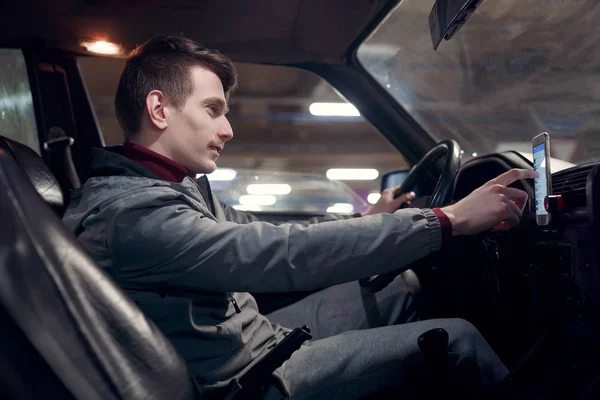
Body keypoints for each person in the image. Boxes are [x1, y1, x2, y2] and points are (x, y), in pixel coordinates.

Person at [62, 34, 537, 399]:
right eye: (213, 110)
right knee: (459, 339)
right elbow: (281, 252)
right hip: (245, 380)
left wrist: (371, 218)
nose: (227, 129)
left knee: (402, 287)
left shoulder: (169, 188)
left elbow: (265, 232)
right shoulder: (133, 217)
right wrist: (447, 220)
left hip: (247, 340)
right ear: (159, 109)